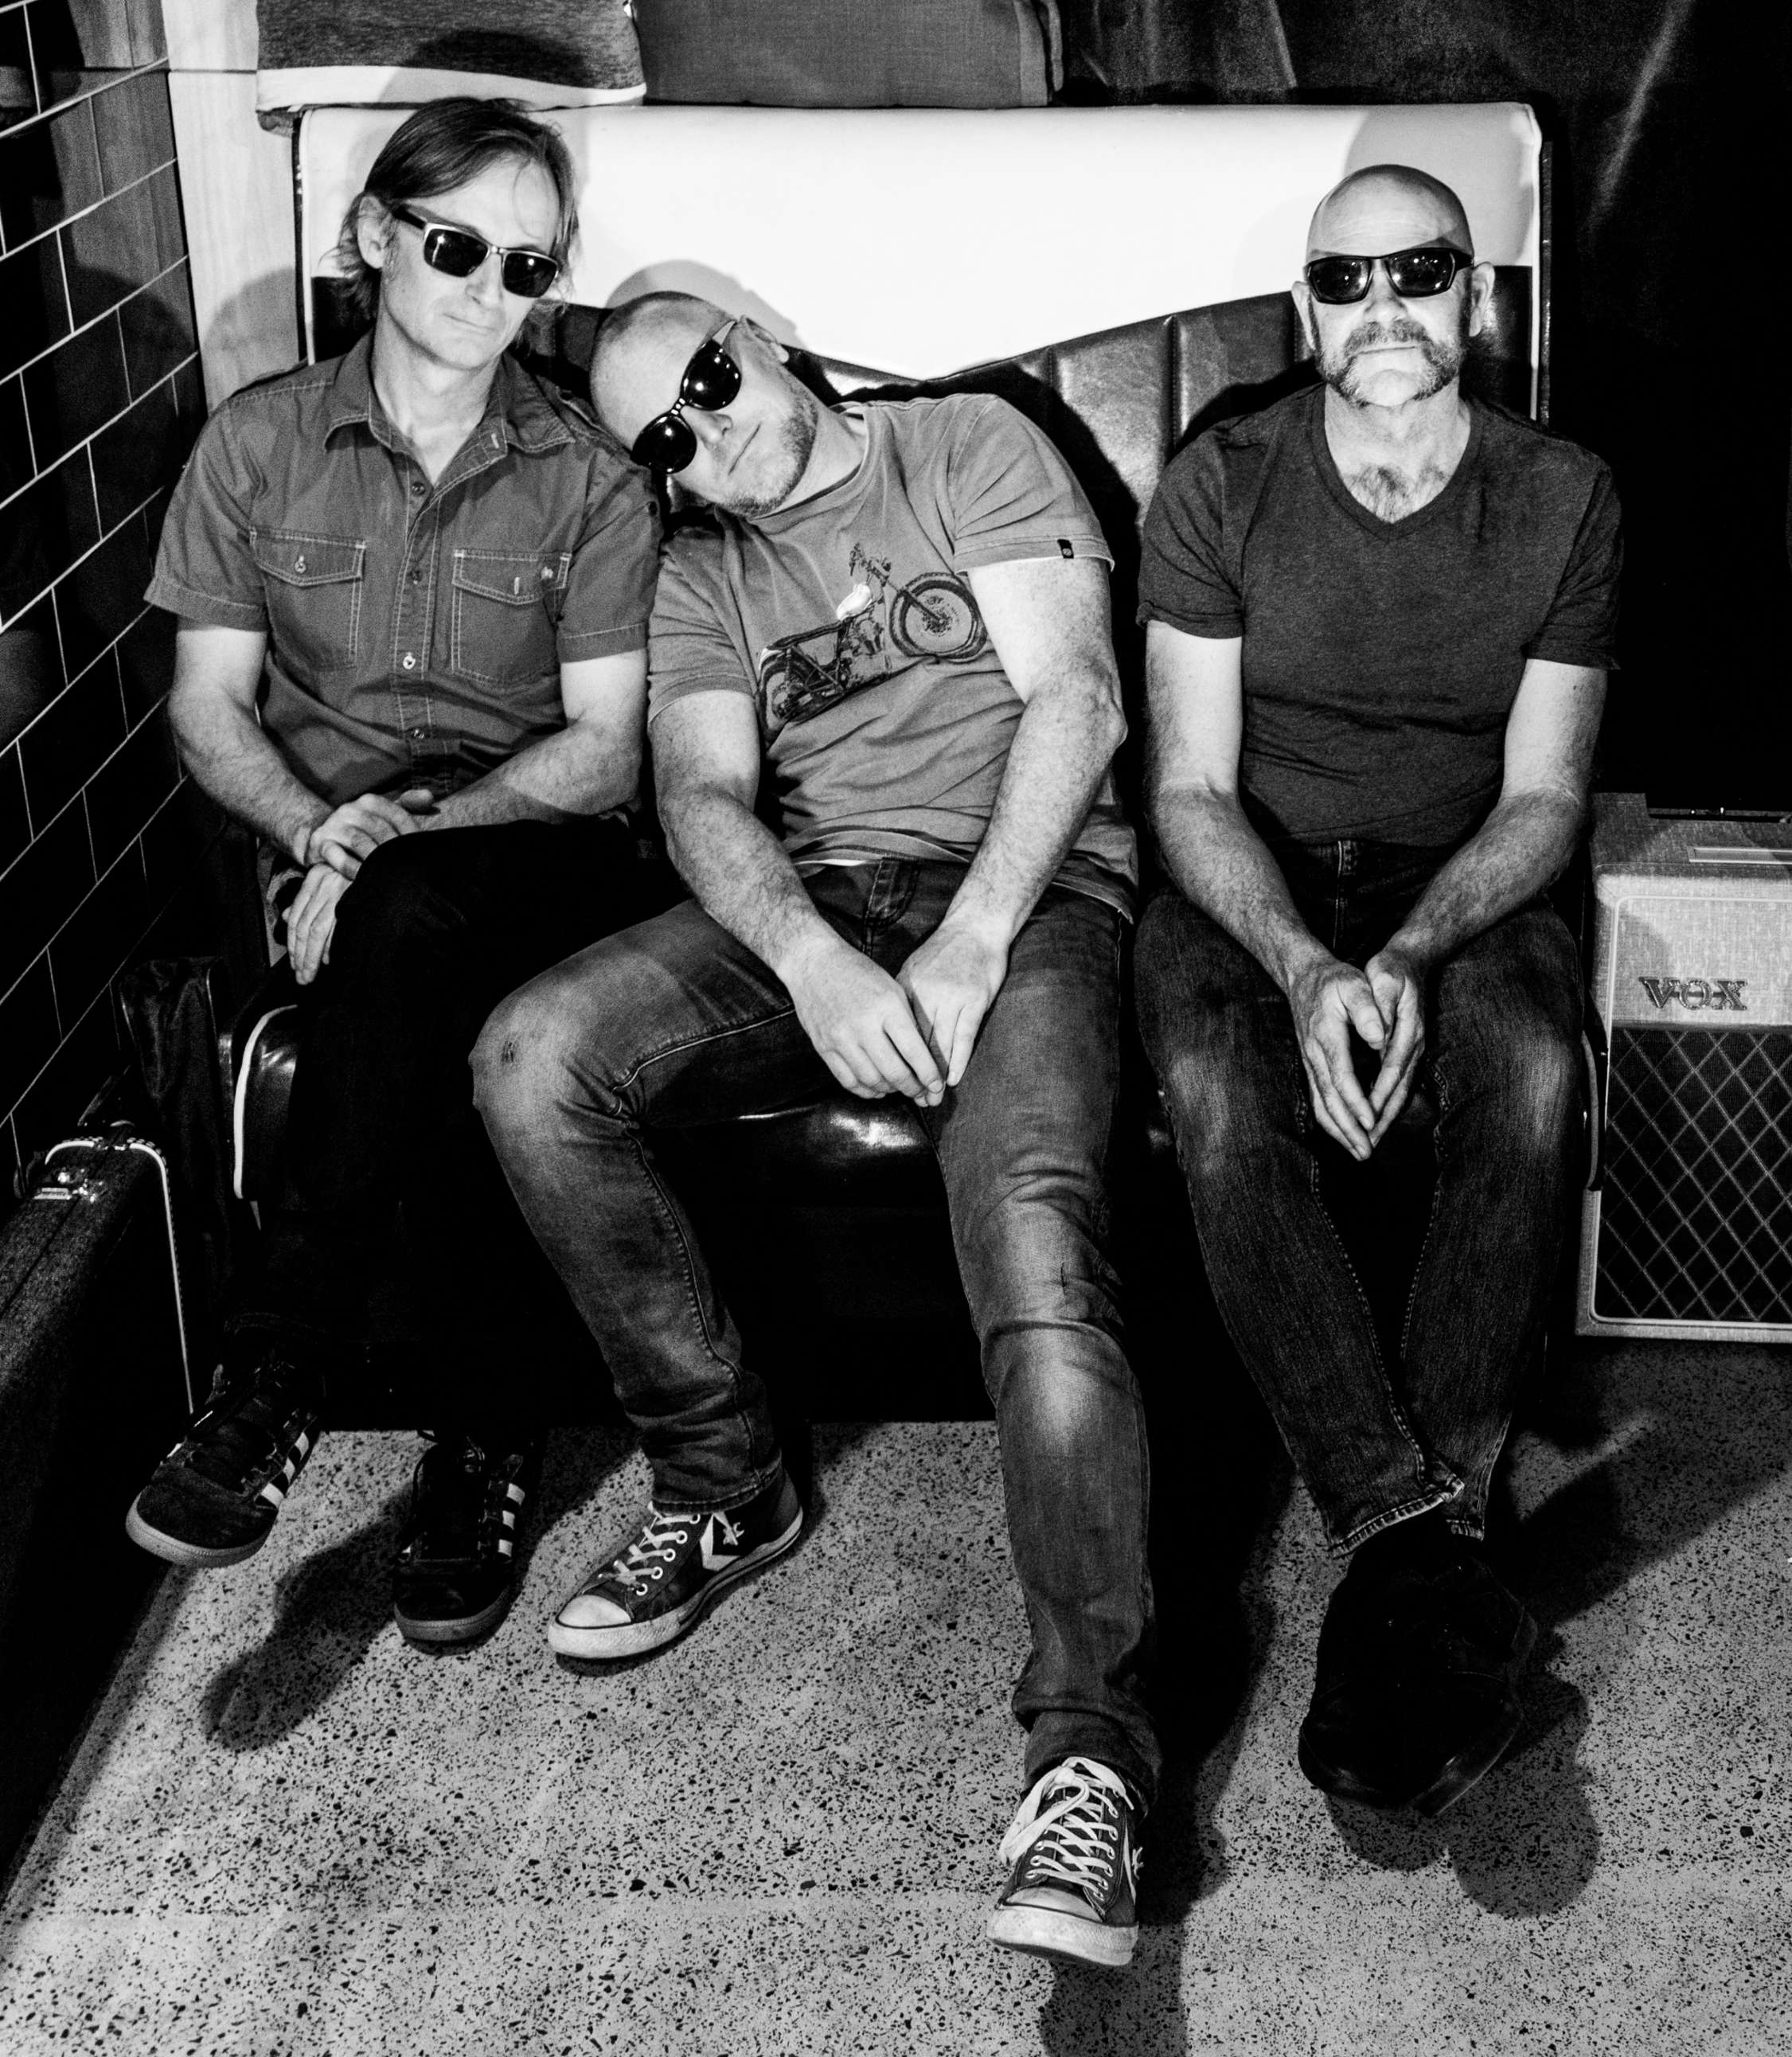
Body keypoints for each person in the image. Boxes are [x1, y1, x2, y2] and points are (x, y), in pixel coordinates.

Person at [471, 293, 1158, 1968]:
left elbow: (1077, 700)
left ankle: (1089, 1753)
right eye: (665, 435)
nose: (704, 435)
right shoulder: (704, 569)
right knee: (532, 1054)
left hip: (1032, 889)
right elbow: (703, 794)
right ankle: (725, 1472)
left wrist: (970, 941)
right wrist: (813, 959)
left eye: (711, 381)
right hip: (826, 903)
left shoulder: (960, 447)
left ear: (767, 341)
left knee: (1035, 1226)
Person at [126, 99, 663, 1651]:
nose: (496, 292)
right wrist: (316, 831)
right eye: (457, 248)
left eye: (530, 266)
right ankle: (488, 1443)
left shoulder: (589, 472)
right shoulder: (255, 448)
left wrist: (389, 838)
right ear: (372, 236)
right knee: (426, 975)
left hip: (534, 850)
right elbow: (206, 707)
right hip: (341, 865)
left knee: (420, 916)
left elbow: (605, 747)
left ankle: (270, 1378)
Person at [1134, 165, 1620, 1816]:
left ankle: (1407, 1545)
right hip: (1249, 880)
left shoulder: (1562, 496)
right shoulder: (1222, 483)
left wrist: (1406, 954)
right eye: (1348, 280)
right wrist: (1303, 960)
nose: (1384, 305)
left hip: (1457, 878)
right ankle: (1417, 1541)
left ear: (1473, 298)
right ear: (1307, 308)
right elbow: (1187, 792)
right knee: (1211, 1077)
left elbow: (1546, 796)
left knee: (1533, 1058)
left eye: (1421, 270)